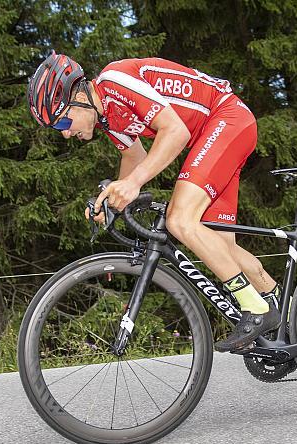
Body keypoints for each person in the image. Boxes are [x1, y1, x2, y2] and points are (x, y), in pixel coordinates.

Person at [27, 52, 282, 352]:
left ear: (79, 97)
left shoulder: (114, 80)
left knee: (179, 220)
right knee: (221, 247)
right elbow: (134, 157)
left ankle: (256, 307)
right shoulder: (109, 117)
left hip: (225, 118)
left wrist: (132, 184)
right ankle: (285, 308)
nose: (67, 133)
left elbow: (175, 131)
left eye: (62, 123)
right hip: (215, 132)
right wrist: (112, 202)